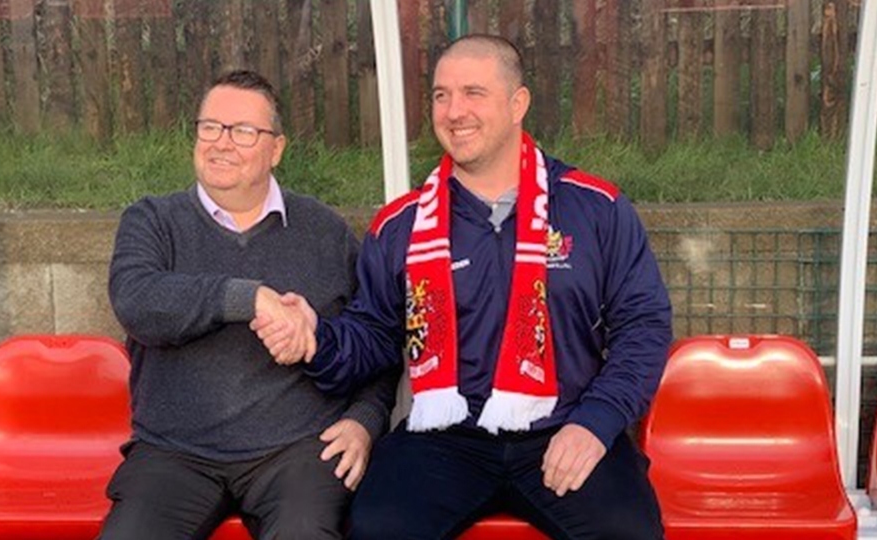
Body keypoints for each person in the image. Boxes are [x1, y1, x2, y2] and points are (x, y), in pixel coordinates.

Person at [255, 35, 672, 539]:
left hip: (565, 427)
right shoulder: (401, 226)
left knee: (628, 531)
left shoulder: (596, 208)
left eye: (474, 93)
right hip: (444, 437)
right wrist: (317, 338)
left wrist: (597, 422)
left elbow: (643, 326)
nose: (454, 112)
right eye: (440, 95)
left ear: (518, 103)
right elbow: (375, 336)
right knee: (377, 527)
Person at [99, 69, 399, 540]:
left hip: (296, 450)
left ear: (276, 148)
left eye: (242, 131)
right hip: (174, 451)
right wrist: (248, 297)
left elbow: (376, 342)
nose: (221, 143)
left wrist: (365, 419)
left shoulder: (324, 232)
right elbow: (137, 300)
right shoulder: (154, 220)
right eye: (210, 127)